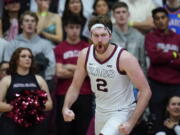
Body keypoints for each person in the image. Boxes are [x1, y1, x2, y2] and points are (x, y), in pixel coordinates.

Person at [62, 15, 152, 135]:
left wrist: (131, 121)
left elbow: (146, 91)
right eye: (96, 35)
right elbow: (75, 86)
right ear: (90, 36)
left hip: (122, 111)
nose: (99, 39)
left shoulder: (125, 58)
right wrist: (66, 107)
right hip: (100, 111)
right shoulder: (85, 55)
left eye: (103, 35)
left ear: (110, 36)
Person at [54, 14, 94, 135]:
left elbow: (91, 71)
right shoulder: (59, 48)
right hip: (64, 94)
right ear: (65, 28)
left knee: (83, 130)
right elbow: (59, 72)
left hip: (85, 94)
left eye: (77, 27)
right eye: (71, 27)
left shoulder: (87, 48)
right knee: (64, 130)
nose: (74, 30)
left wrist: (69, 66)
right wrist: (82, 70)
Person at [0, 47, 53, 135]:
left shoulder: (39, 79)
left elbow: (49, 104)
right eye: (23, 56)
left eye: (30, 57)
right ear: (16, 60)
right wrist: (19, 106)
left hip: (35, 125)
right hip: (12, 124)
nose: (27, 59)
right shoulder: (7, 80)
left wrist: (31, 105)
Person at [145, 7, 180, 130]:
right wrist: (174, 55)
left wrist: (163, 57)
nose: (160, 21)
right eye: (157, 18)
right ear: (154, 22)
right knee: (157, 120)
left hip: (176, 85)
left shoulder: (177, 38)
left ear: (168, 19)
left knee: (177, 118)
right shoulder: (150, 37)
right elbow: (154, 58)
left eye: (163, 17)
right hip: (156, 84)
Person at [3, 11, 56, 91]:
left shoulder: (46, 44)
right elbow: (7, 65)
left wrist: (41, 82)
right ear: (21, 25)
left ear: (36, 25)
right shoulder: (12, 44)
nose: (30, 23)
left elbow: (51, 68)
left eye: (32, 21)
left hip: (40, 84)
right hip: (16, 84)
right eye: (27, 21)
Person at [111, 1, 146, 73]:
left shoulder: (139, 36)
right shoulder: (108, 35)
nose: (121, 15)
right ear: (113, 15)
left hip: (133, 77)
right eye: (118, 12)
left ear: (128, 14)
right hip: (114, 76)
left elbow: (142, 62)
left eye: (124, 12)